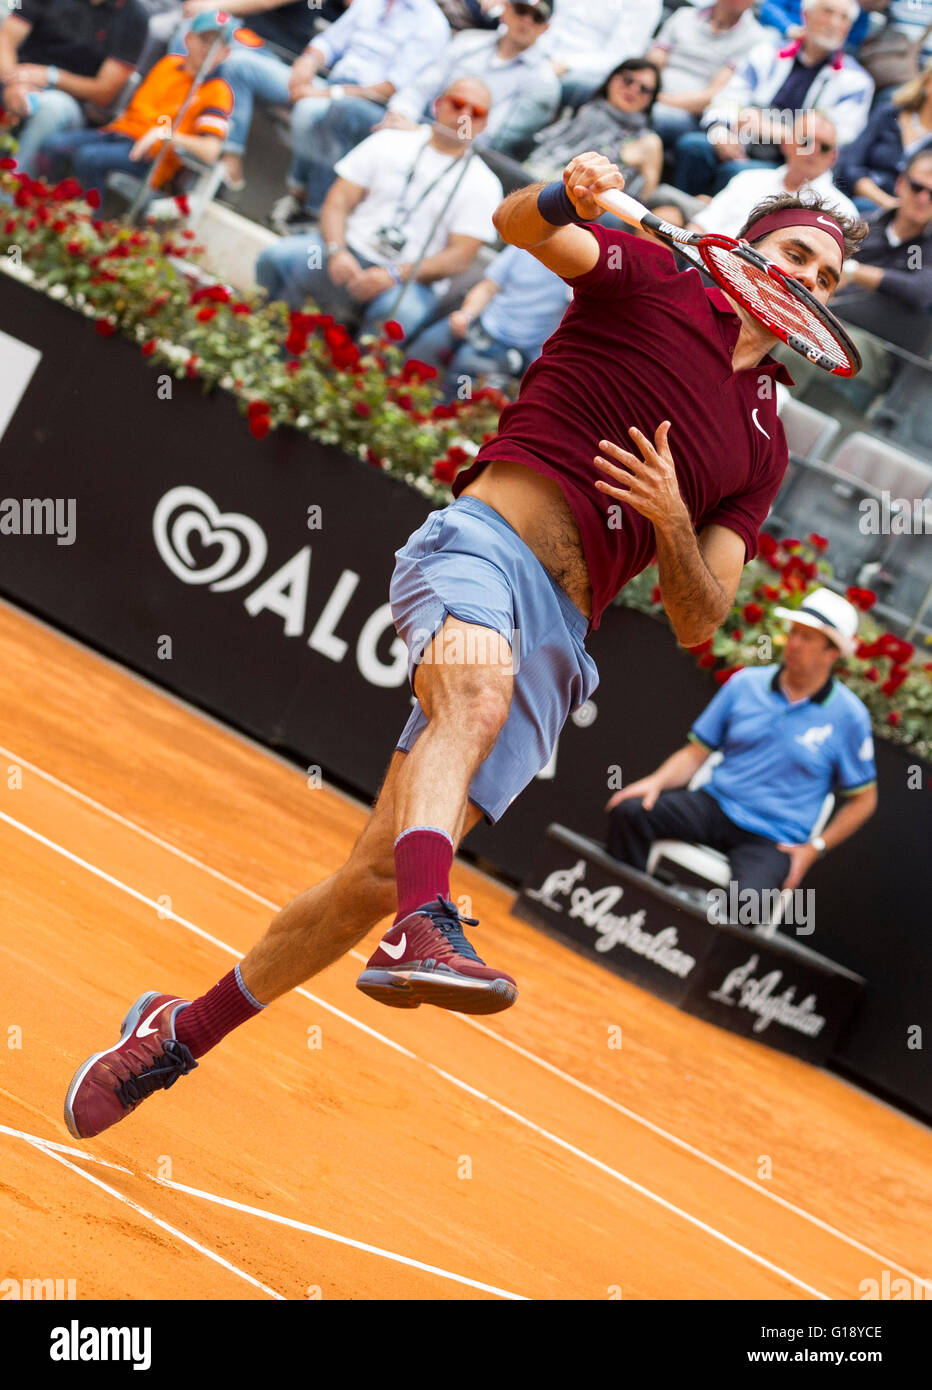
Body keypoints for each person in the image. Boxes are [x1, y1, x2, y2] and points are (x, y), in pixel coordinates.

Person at [63, 153, 866, 1142]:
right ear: (747, 247)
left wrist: (667, 517)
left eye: (826, 280)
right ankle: (429, 919)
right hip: (482, 545)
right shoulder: (649, 277)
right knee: (471, 698)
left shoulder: (762, 441)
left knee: (365, 880)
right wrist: (567, 192)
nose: (808, 283)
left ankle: (177, 1032)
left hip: (563, 637)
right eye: (797, 255)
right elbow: (516, 223)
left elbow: (700, 616)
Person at [605, 588, 877, 912]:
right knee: (631, 812)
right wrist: (656, 782)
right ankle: (627, 916)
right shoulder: (745, 683)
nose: (793, 643)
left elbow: (864, 800)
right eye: (793, 633)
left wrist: (813, 848)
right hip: (713, 806)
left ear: (832, 653)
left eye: (807, 638)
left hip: (772, 839)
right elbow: (696, 753)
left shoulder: (850, 716)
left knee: (749, 905)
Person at [255, 77, 502, 340]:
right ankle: (271, 343)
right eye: (458, 104)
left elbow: (460, 258)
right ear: (438, 104)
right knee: (277, 259)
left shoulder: (484, 184)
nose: (464, 116)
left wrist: (394, 274)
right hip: (349, 250)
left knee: (398, 318)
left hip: (411, 281)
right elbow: (338, 201)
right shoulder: (391, 141)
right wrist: (336, 250)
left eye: (476, 113)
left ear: (484, 124)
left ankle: (350, 378)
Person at [293, 0, 560, 224]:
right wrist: (400, 115)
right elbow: (420, 87)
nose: (526, 20)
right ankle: (315, 212)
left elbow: (489, 136)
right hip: (414, 129)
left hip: (461, 156)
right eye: (521, 10)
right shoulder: (469, 41)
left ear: (546, 28)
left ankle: (323, 214)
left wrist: (424, 131)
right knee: (347, 111)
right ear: (506, 10)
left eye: (536, 17)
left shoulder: (543, 82)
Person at [216, 0, 451, 202]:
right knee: (240, 65)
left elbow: (389, 88)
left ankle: (299, 192)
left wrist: (325, 94)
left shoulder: (431, 23)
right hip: (327, 86)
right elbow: (328, 42)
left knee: (311, 108)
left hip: (370, 107)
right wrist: (308, 61)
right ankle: (229, 165)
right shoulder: (371, 3)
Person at [675, 0, 873, 195]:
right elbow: (728, 97)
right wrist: (720, 134)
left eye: (844, 18)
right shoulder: (767, 51)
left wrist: (775, 131)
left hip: (791, 163)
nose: (834, 23)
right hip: (741, 138)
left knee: (736, 173)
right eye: (827, 12)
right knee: (693, 147)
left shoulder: (856, 81)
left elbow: (837, 138)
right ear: (806, 16)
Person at [37, 10, 233, 197]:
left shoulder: (218, 90)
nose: (209, 49)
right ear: (189, 39)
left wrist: (165, 134)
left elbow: (210, 150)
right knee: (54, 145)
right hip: (119, 133)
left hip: (151, 157)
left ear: (225, 53)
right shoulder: (168, 64)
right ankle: (43, 203)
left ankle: (87, 220)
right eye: (205, 39)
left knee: (90, 158)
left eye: (218, 44)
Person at [0, 0, 149, 176]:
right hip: (16, 76)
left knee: (51, 108)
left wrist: (52, 75)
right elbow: (5, 41)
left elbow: (104, 92)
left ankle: (13, 190)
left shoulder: (134, 16)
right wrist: (14, 83)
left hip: (70, 101)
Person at [408, 243, 571, 398]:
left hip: (517, 351)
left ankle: (445, 408)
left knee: (462, 384)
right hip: (481, 325)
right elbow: (488, 287)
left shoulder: (580, 268)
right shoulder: (527, 242)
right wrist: (465, 315)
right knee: (421, 351)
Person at [688, 111, 859, 234]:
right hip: (704, 261)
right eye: (805, 141)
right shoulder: (748, 179)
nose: (813, 150)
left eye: (825, 147)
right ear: (786, 143)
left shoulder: (842, 211)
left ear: (834, 156)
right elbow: (701, 225)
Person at [832, 146, 932, 352]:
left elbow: (920, 291)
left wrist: (854, 272)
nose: (923, 199)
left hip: (883, 346)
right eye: (917, 187)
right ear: (900, 183)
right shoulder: (867, 224)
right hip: (831, 315)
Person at [522, 58, 664, 201]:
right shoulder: (588, 110)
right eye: (628, 80)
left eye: (644, 89)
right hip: (540, 180)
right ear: (612, 79)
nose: (633, 90)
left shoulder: (649, 141)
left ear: (651, 100)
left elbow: (647, 201)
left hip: (591, 208)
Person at [645, 0, 766, 150]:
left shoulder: (756, 38)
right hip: (653, 93)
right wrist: (645, 90)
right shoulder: (683, 15)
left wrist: (659, 99)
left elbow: (714, 95)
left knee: (657, 115)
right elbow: (653, 61)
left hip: (691, 114)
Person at [836, 61, 932, 213]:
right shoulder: (889, 113)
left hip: (909, 218)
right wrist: (886, 202)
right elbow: (850, 164)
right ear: (927, 83)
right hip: (859, 198)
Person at [536, 0, 664, 109]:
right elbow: (557, 22)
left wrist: (567, 64)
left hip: (586, 71)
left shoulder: (645, 3)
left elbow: (621, 56)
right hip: (543, 51)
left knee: (542, 81)